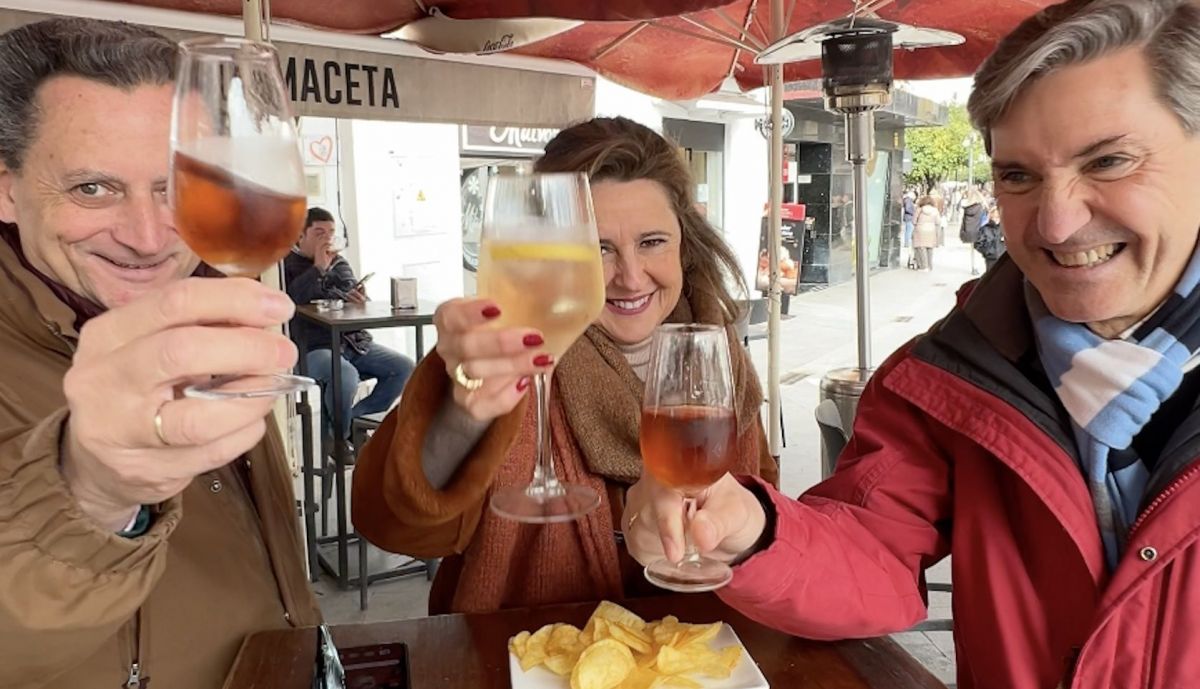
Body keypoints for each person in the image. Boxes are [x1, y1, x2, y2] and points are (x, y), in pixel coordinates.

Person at [622, 0, 1200, 686]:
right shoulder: (953, 372)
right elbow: (874, 555)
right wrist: (750, 527)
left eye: (1108, 161)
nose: (1056, 222)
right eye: (1017, 175)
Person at [0, 18, 320, 689]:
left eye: (176, 187)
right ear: (6, 189)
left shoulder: (212, 304)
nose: (147, 238)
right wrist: (93, 490)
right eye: (93, 188)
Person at [351, 117, 778, 615]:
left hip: (706, 651)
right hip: (524, 653)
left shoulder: (716, 356)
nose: (630, 276)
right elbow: (391, 526)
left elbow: (768, 511)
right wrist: (462, 413)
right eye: (599, 248)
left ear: (685, 243)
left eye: (652, 242)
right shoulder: (510, 354)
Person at [284, 207, 414, 455]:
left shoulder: (340, 263)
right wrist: (318, 269)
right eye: (319, 233)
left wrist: (360, 300)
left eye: (331, 233)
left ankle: (351, 424)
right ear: (301, 235)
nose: (327, 239)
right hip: (313, 347)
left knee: (403, 367)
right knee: (344, 374)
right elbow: (291, 300)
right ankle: (339, 442)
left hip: (352, 341)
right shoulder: (286, 265)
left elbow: (348, 292)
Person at [910, 196, 940, 272]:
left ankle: (923, 267)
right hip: (931, 230)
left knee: (921, 248)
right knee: (930, 249)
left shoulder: (919, 210)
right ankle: (930, 266)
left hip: (920, 230)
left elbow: (913, 221)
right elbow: (938, 222)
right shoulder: (935, 210)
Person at [974, 204, 1006, 272]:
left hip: (1003, 259)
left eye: (998, 217)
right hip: (991, 259)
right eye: (994, 217)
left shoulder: (1005, 229)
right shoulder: (985, 229)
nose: (996, 220)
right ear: (990, 217)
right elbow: (978, 244)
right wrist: (988, 252)